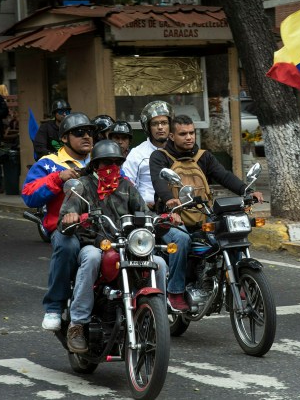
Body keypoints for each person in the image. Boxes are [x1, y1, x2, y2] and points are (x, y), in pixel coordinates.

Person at [57, 140, 168, 352]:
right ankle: (77, 324)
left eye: (116, 163)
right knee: (92, 258)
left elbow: (145, 212)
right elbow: (64, 220)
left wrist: (163, 219)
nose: (112, 167)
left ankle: (158, 319)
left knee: (160, 263)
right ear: (95, 165)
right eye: (106, 162)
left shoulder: (127, 187)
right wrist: (71, 217)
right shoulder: (82, 186)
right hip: (94, 244)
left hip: (127, 245)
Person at [150, 115, 263, 310]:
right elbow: (159, 181)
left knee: (230, 231)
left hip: (202, 214)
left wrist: (247, 191)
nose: (189, 137)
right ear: (171, 136)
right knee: (182, 240)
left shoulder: (203, 157)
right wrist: (170, 201)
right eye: (183, 134)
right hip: (172, 217)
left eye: (192, 133)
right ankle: (175, 292)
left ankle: (236, 279)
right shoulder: (160, 157)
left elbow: (224, 176)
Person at [22, 112, 94, 331]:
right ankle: (54, 307)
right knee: (67, 245)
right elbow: (29, 195)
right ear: (64, 138)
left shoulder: (102, 160)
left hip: (101, 227)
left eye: (90, 132)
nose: (87, 137)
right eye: (79, 133)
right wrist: (57, 178)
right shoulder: (49, 163)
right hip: (67, 228)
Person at [123, 101, 191, 309]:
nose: (161, 127)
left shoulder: (180, 150)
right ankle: (175, 291)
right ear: (147, 127)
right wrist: (145, 204)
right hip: (151, 213)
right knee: (180, 238)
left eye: (164, 122)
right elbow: (125, 186)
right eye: (155, 124)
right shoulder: (137, 153)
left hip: (185, 209)